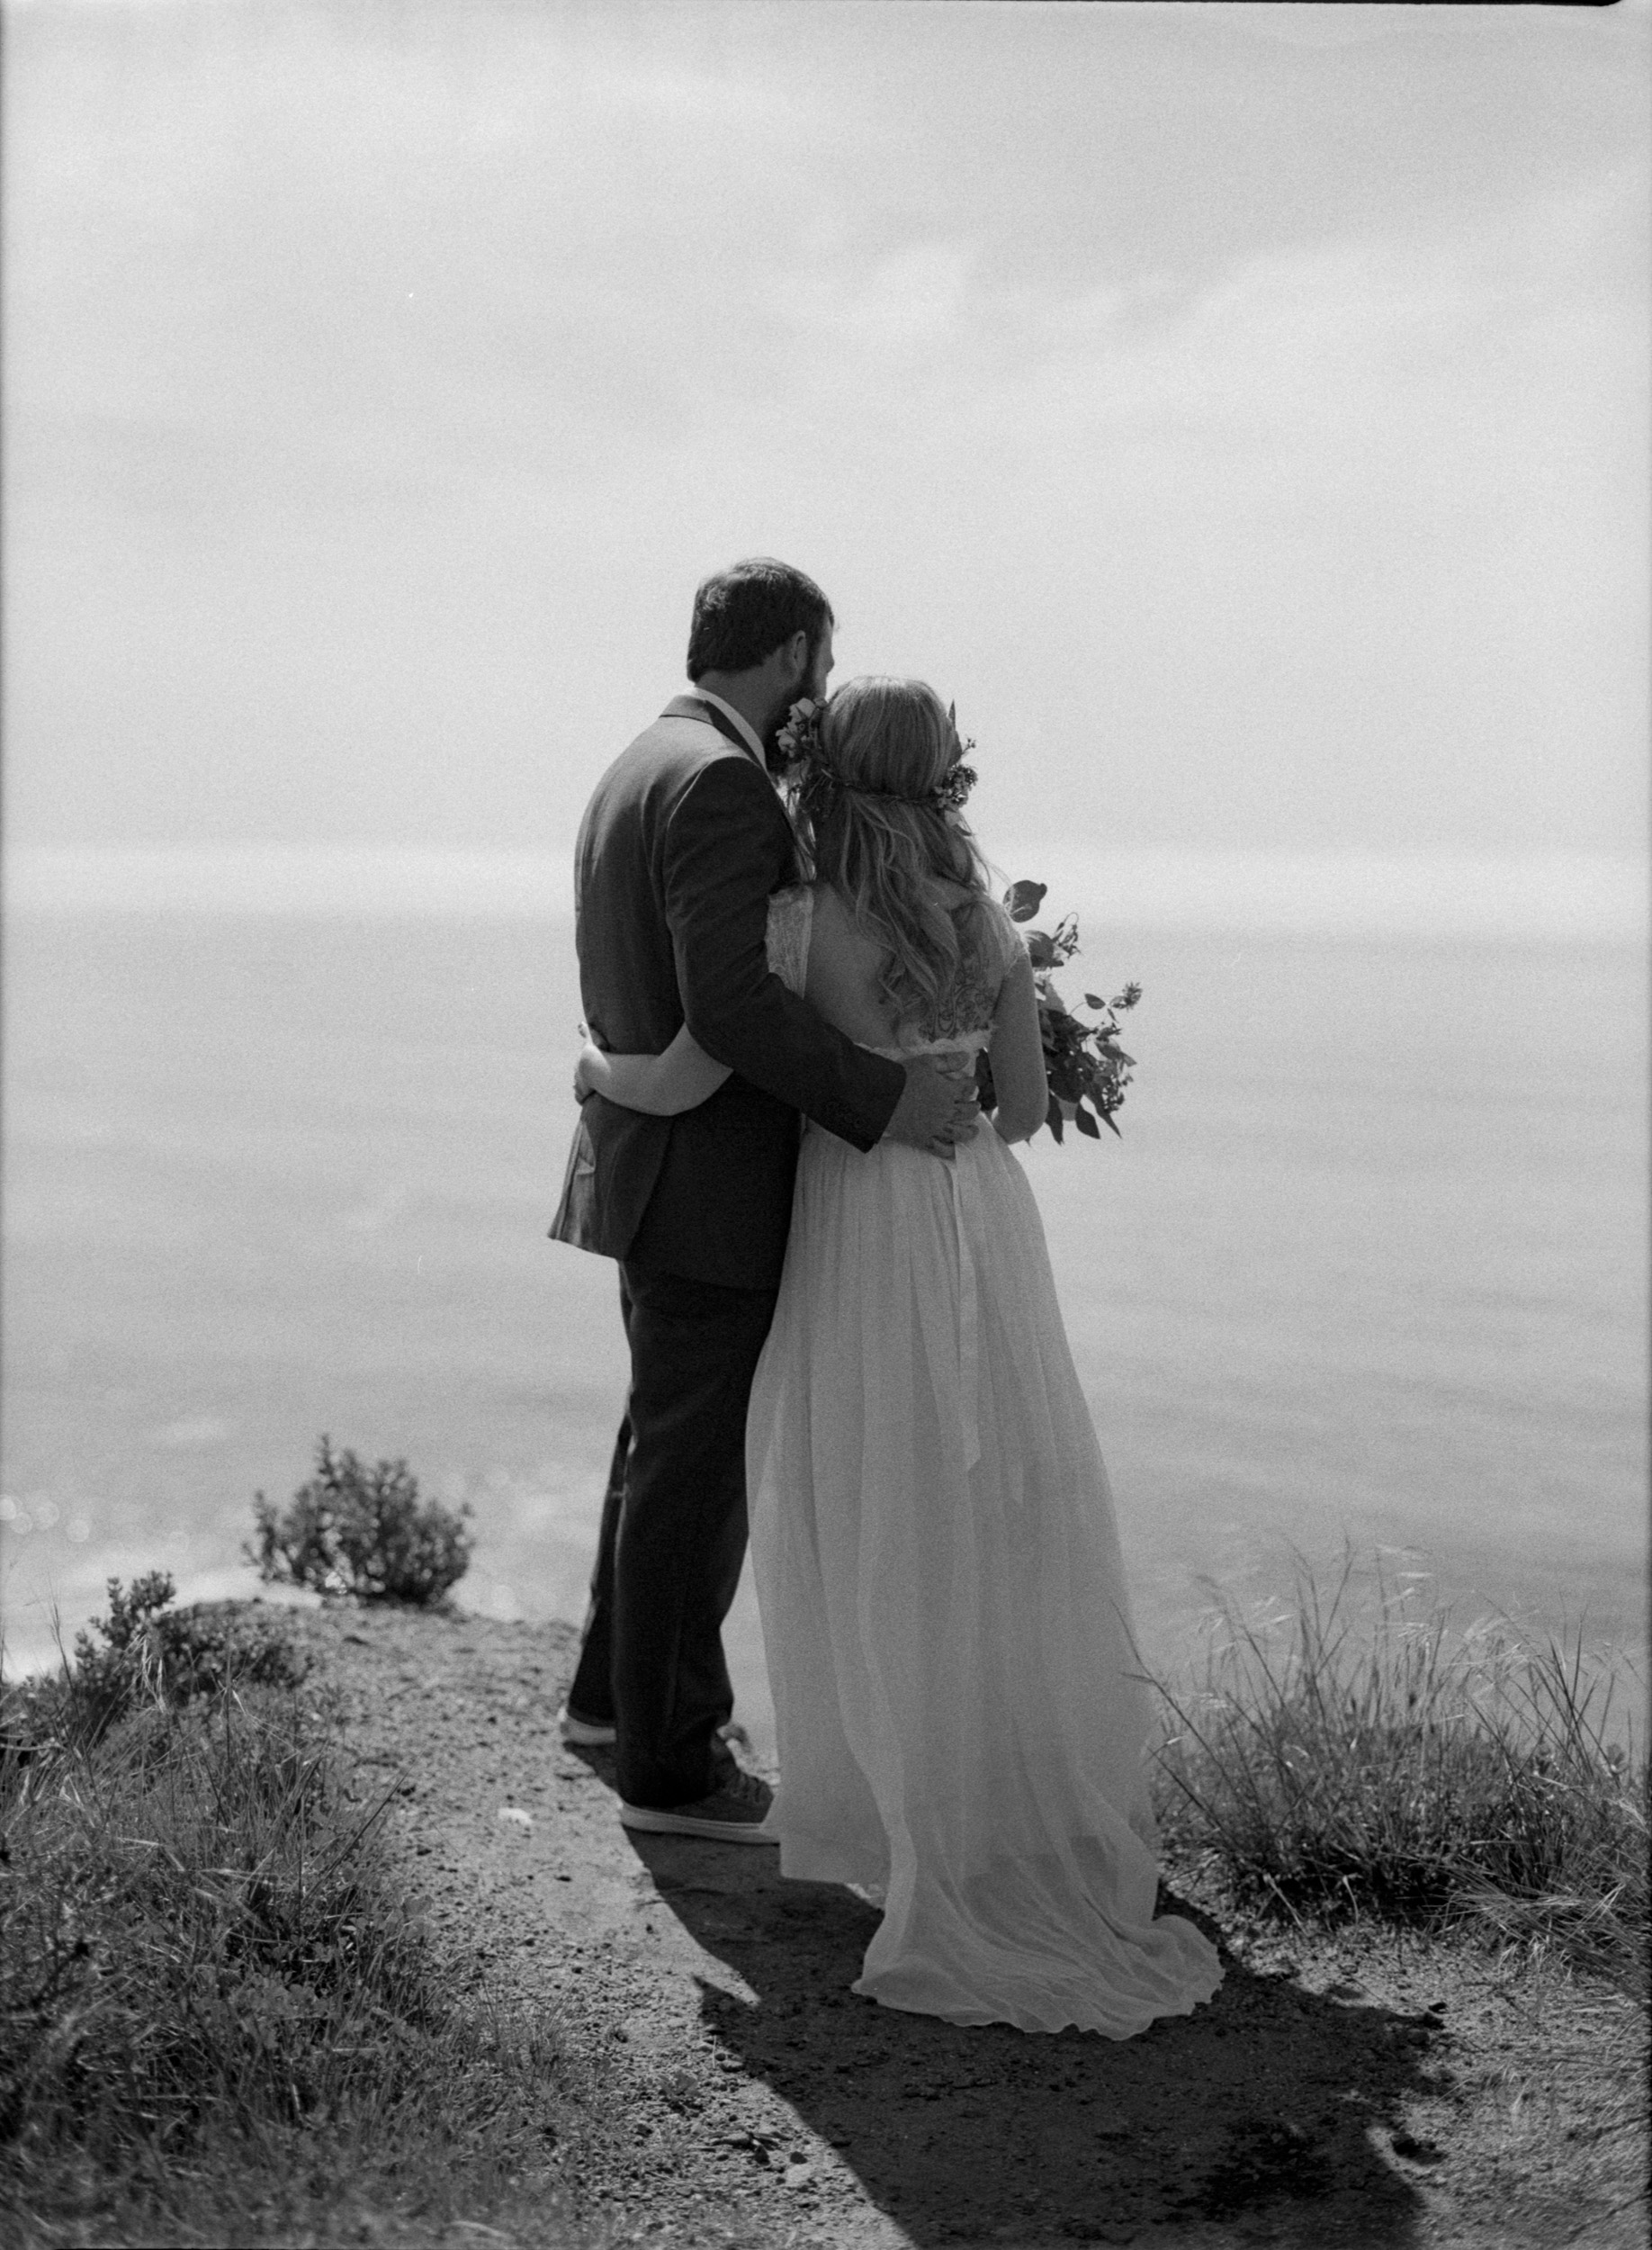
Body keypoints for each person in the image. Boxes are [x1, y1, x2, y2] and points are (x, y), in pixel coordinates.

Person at [576, 673, 1224, 2037]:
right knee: (995, 1502)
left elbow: (697, 1070)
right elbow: (1031, 1113)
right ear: (941, 783)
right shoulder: (984, 923)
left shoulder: (799, 924)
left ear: (826, 777)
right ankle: (1002, 1801)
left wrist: (601, 1076)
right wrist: (969, 1076)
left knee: (860, 1501)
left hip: (853, 1223)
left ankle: (879, 1804)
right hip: (980, 1225)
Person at [549, 564, 979, 1843]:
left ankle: (607, 1706)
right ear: (794, 653)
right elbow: (731, 1006)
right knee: (697, 1469)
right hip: (710, 1182)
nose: (825, 693)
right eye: (823, 666)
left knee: (657, 1447)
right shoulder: (723, 784)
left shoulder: (640, 760)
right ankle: (674, 1768)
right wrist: (882, 1099)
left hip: (648, 1159)